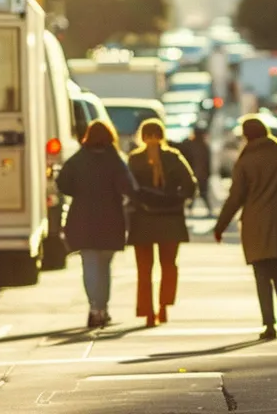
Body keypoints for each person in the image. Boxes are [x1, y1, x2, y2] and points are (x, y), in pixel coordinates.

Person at [213, 115, 277, 340]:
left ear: (246, 135)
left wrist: (220, 226)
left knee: (262, 275)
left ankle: (269, 324)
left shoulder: (246, 160)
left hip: (256, 223)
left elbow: (236, 197)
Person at [57, 120, 133, 328]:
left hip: (83, 219)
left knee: (89, 265)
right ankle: (104, 308)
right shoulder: (115, 159)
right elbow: (129, 187)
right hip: (111, 219)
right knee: (105, 267)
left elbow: (62, 183)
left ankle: (94, 308)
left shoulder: (78, 159)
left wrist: (79, 192)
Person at [126, 120, 197, 327]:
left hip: (142, 220)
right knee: (168, 265)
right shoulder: (173, 157)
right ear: (162, 134)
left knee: (144, 269)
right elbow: (190, 185)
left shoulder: (135, 159)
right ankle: (164, 306)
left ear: (142, 135)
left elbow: (129, 188)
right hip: (171, 220)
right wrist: (176, 199)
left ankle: (148, 312)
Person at [179, 129, 215, 215]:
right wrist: (208, 173)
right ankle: (205, 209)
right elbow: (207, 162)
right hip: (201, 174)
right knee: (202, 193)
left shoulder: (190, 145)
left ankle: (188, 208)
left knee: (193, 192)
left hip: (193, 173)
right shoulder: (204, 146)